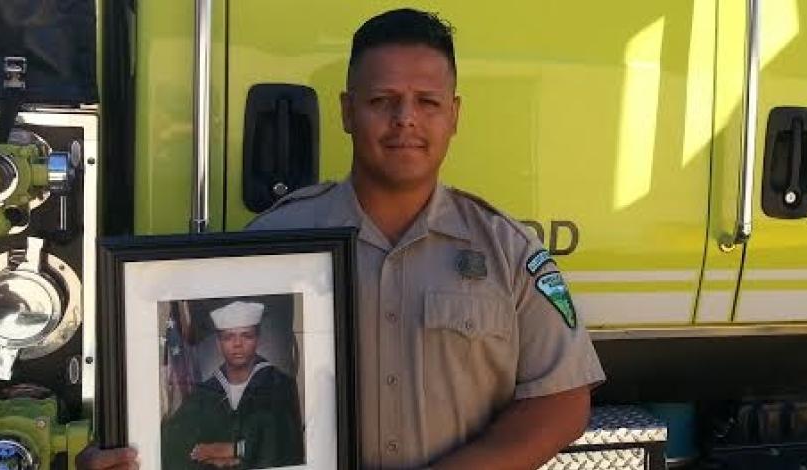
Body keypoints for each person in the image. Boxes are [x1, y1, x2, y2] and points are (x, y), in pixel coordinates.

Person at [80, 8, 604, 470]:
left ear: (455, 115)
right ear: (347, 111)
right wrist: (131, 451)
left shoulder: (508, 252)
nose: (405, 120)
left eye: (427, 102)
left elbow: (559, 402)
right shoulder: (272, 247)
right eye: (383, 100)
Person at [158, 301, 304, 469]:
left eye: (246, 335)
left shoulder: (281, 386)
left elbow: (289, 447)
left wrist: (233, 450)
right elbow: (174, 446)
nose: (237, 344)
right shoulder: (204, 393)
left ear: (257, 339)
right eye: (228, 337)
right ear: (219, 344)